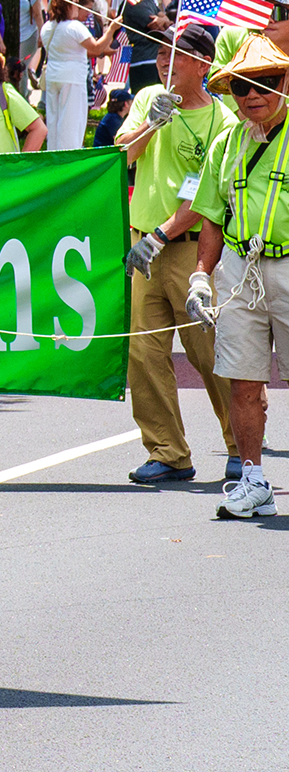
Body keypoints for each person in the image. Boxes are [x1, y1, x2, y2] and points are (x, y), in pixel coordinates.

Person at [116, 24, 234, 485]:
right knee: (144, 355)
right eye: (165, 52)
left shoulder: (221, 120)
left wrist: (160, 236)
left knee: (209, 352)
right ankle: (168, 452)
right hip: (142, 247)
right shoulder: (149, 98)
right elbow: (119, 156)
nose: (167, 61)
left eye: (178, 55)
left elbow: (206, 195)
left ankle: (240, 447)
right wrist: (152, 123)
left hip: (189, 250)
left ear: (202, 64)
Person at [189, 31, 289, 521]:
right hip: (239, 267)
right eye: (241, 86)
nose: (253, 95)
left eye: (266, 82)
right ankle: (253, 479)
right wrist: (201, 277)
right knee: (242, 379)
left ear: (286, 81)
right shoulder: (225, 143)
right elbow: (210, 214)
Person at [32, 0, 109, 151]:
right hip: (72, 78)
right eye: (74, 3)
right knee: (72, 122)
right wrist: (112, 29)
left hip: (54, 77)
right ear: (67, 6)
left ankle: (54, 154)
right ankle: (70, 155)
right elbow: (95, 48)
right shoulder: (74, 27)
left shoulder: (47, 27)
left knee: (54, 121)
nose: (77, 7)